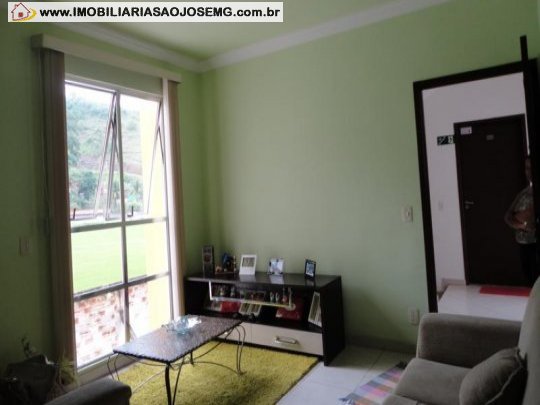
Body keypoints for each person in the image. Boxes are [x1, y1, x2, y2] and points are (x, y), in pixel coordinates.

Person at [505, 157, 539, 285]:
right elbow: (508, 217)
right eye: (527, 168)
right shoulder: (524, 193)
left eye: (531, 168)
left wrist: (519, 216)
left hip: (535, 244)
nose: (528, 172)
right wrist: (521, 224)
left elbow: (530, 214)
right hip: (524, 244)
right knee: (529, 281)